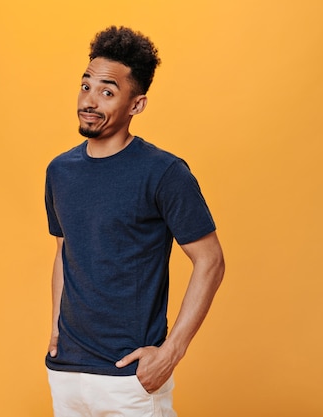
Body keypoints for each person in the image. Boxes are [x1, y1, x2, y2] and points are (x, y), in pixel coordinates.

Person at [44, 26, 225, 417]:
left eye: (107, 92)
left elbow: (211, 260)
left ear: (136, 105)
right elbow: (64, 251)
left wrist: (171, 352)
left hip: (130, 379)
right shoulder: (60, 171)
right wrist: (57, 328)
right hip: (67, 375)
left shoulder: (164, 173)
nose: (90, 100)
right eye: (86, 85)